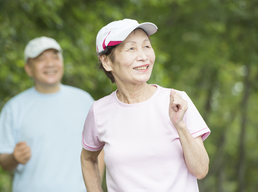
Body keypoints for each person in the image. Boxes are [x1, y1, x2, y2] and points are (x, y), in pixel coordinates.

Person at [81, 19, 211, 192]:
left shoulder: (176, 101)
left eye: (147, 46)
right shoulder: (99, 111)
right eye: (131, 48)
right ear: (107, 61)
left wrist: (179, 125)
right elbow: (88, 159)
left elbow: (201, 170)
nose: (143, 56)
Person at [0, 36, 104, 192]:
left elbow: (99, 150)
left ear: (62, 63)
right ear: (28, 68)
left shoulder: (84, 100)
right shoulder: (14, 107)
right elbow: (3, 162)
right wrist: (13, 158)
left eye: (55, 57)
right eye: (41, 59)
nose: (50, 64)